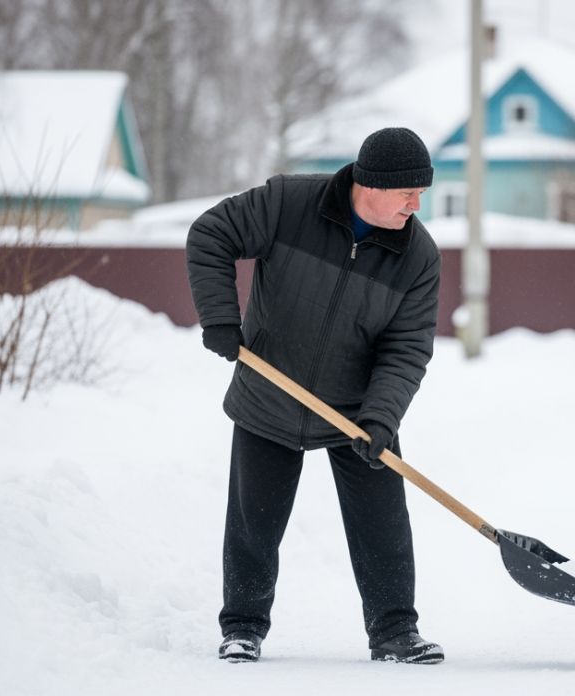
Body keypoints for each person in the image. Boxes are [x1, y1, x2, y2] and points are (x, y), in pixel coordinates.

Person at [186, 127, 443, 664]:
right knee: (254, 522)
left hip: (356, 408)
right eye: (408, 193)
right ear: (371, 185)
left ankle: (395, 631)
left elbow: (407, 348)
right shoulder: (288, 203)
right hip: (269, 390)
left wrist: (380, 418)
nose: (417, 206)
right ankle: (243, 629)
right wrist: (219, 318)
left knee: (383, 524)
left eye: (422, 193)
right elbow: (211, 234)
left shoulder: (417, 257)